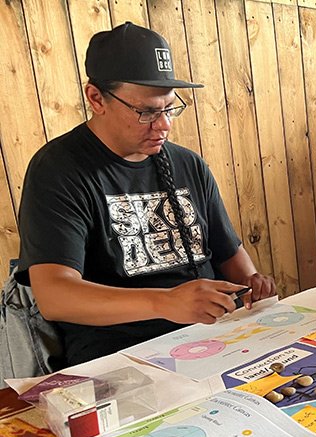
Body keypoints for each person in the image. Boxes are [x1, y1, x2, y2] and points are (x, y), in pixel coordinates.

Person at [15, 22, 276, 366]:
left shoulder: (188, 164)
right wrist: (165, 302)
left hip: (214, 338)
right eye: (147, 112)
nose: (164, 124)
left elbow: (231, 255)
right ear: (96, 98)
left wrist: (252, 284)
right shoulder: (59, 169)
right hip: (120, 355)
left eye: (169, 108)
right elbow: (55, 295)